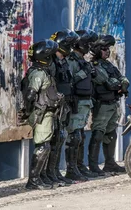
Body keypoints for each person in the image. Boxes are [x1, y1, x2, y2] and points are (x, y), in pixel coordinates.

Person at [21, 39, 63, 190]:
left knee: (50, 143)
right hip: (42, 113)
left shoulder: (44, 71)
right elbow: (30, 94)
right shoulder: (38, 73)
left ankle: (42, 176)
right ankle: (33, 180)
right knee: (43, 146)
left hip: (48, 112)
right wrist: (28, 111)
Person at [43, 29, 80, 187]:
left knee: (60, 138)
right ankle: (46, 173)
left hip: (64, 105)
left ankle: (55, 171)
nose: (71, 48)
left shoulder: (63, 61)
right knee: (51, 140)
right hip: (53, 105)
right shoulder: (51, 61)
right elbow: (49, 85)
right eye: (69, 45)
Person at [89, 35, 129, 175]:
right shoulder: (94, 66)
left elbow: (122, 78)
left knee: (111, 133)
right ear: (98, 50)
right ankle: (93, 165)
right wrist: (119, 84)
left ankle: (110, 163)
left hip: (113, 103)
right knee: (98, 133)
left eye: (108, 49)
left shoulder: (109, 65)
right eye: (104, 49)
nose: (108, 52)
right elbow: (108, 82)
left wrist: (123, 84)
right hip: (102, 104)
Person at [65, 29, 100, 181]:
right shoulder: (71, 61)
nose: (89, 47)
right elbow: (69, 81)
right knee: (74, 136)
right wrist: (84, 72)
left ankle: (79, 166)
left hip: (86, 102)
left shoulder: (83, 62)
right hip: (76, 102)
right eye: (87, 44)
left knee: (81, 136)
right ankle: (71, 169)